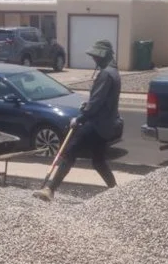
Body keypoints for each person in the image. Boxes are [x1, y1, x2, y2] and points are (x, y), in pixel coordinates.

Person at [33, 39, 121, 202]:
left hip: (95, 124)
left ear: (103, 56)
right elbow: (102, 101)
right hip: (106, 125)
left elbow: (96, 103)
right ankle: (116, 192)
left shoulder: (106, 74)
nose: (94, 59)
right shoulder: (114, 72)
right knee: (99, 161)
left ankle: (50, 189)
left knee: (69, 152)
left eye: (96, 56)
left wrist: (80, 118)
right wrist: (88, 105)